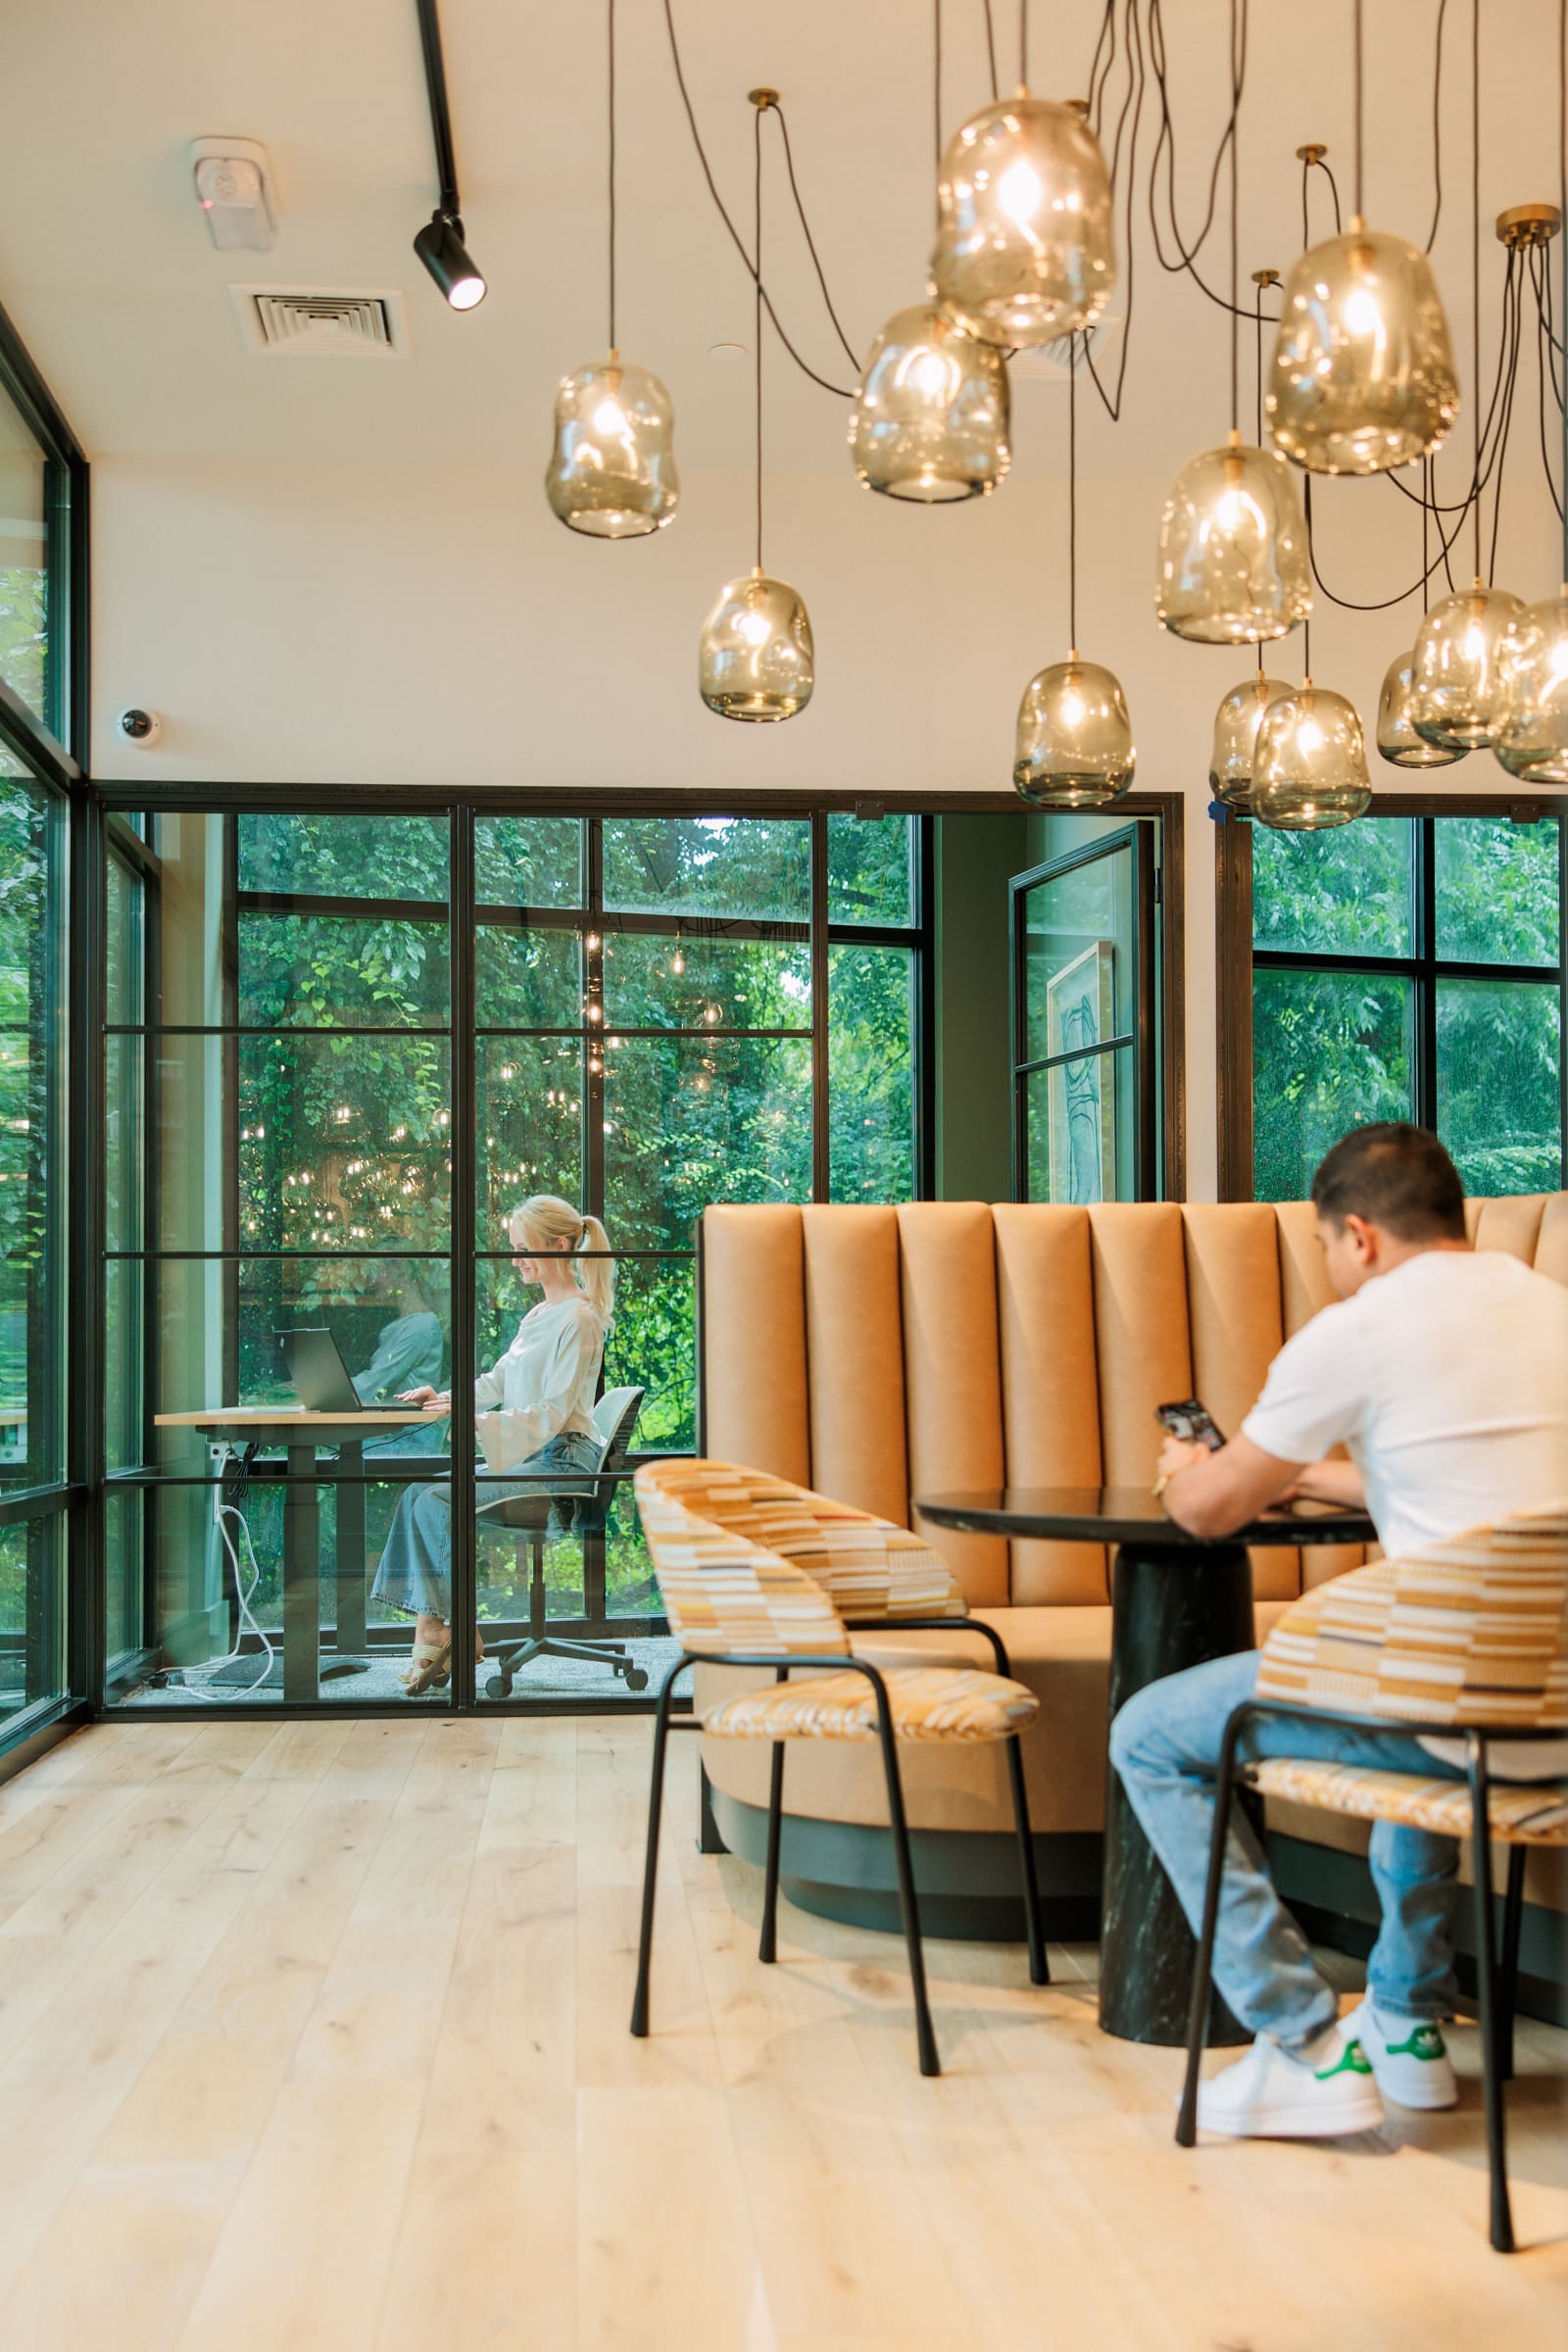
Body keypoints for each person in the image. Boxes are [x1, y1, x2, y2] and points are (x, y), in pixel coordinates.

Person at [1109, 1122, 1568, 2139]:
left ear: (1356, 1234)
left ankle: (1303, 2044)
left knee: (1149, 1733)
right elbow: (1455, 1475)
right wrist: (1306, 1474)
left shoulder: (1358, 1330)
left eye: (1323, 1247)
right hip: (1551, 1719)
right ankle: (1405, 2019)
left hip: (1457, 1727)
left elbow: (1207, 1515)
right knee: (1436, 1652)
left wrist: (1195, 1474)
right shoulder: (1549, 1306)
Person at [370, 1194, 614, 1694]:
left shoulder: (580, 1319)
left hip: (563, 1464)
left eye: (524, 1248)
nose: (516, 1259)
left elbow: (551, 1412)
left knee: (440, 1499)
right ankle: (440, 1628)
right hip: (541, 1456)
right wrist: (444, 1397)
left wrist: (476, 1422)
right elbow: (499, 1380)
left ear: (560, 1245)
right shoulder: (539, 1315)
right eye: (514, 1248)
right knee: (418, 1493)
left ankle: (440, 1630)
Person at [353, 1253, 448, 1457]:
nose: (371, 1280)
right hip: (396, 1431)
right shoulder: (407, 1325)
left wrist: (321, 1392)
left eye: (377, 1270)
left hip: (410, 1437)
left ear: (398, 1269)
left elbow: (375, 1383)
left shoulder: (420, 1327)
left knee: (340, 1454)